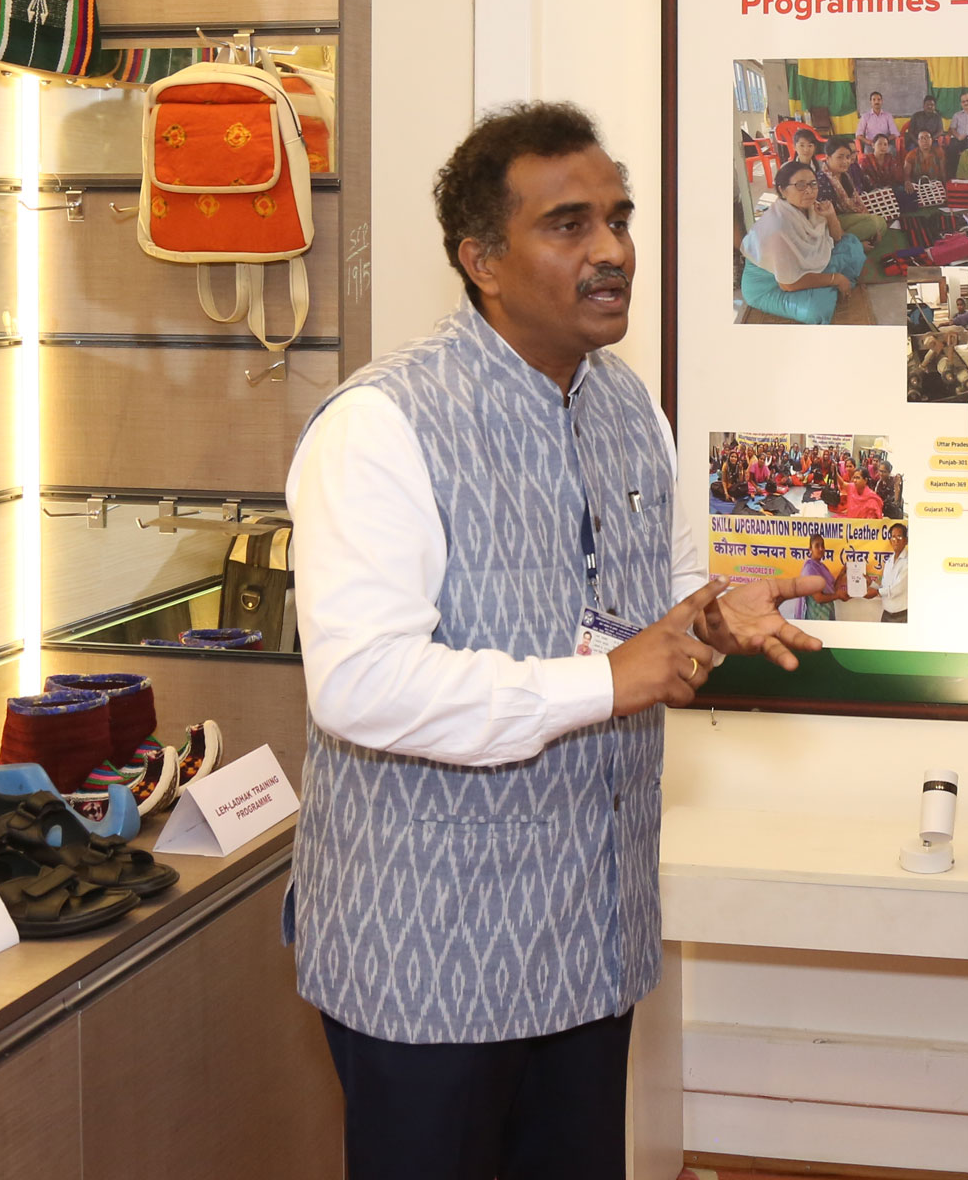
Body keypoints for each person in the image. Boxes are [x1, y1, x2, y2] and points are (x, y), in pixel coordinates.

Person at [286, 101, 825, 1180]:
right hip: (428, 956)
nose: (612, 249)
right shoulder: (381, 424)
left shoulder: (629, 407)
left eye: (618, 219)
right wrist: (606, 681)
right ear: (482, 259)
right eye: (569, 225)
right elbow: (360, 683)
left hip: (588, 936)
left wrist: (712, 614)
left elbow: (655, 601)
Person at [740, 164, 863, 325]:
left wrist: (831, 216)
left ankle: (825, 285)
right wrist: (836, 279)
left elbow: (837, 238)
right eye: (800, 185)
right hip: (771, 287)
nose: (809, 190)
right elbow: (788, 284)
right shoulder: (777, 227)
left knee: (852, 244)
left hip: (804, 268)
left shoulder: (811, 207)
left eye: (813, 184)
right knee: (816, 310)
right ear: (782, 190)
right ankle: (830, 285)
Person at [878, 520, 911, 621]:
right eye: (893, 537)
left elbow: (897, 589)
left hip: (901, 616)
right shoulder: (889, 561)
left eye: (899, 537)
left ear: (906, 540)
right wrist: (870, 583)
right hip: (886, 614)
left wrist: (876, 592)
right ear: (890, 541)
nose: (896, 540)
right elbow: (885, 586)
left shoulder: (909, 561)